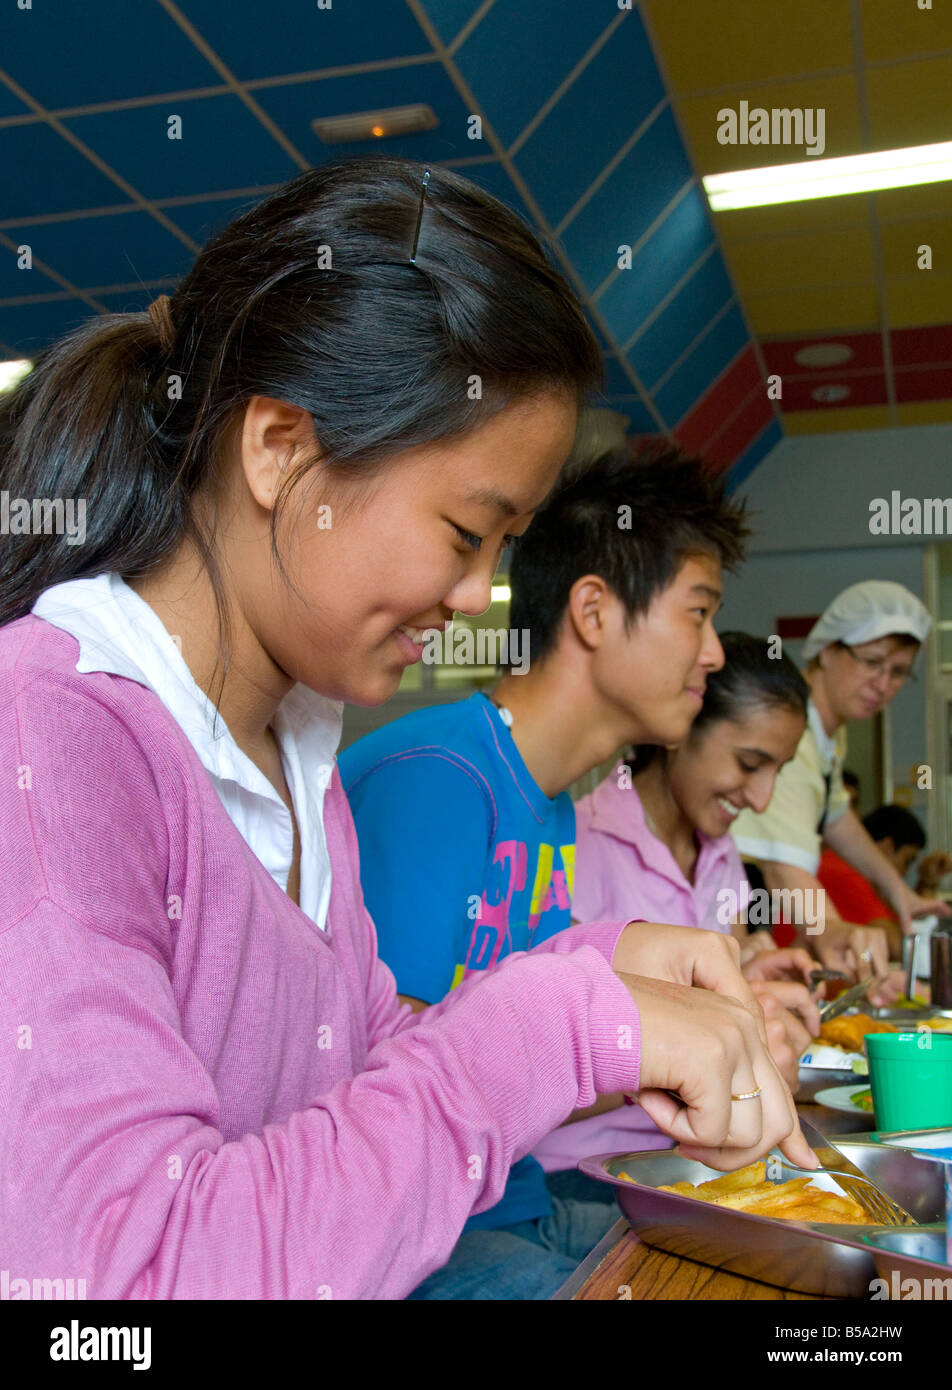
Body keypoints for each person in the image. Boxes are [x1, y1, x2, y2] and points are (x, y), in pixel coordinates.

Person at [0, 157, 812, 1302]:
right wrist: (554, 1024)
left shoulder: (297, 746)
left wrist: (605, 984)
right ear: (280, 450)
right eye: (462, 531)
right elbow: (115, 1292)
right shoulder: (50, 729)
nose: (475, 595)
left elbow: (365, 1061)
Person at [341, 449, 814, 1285]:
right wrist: (661, 1045)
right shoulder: (440, 779)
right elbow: (389, 1085)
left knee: (793, 1261)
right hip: (429, 1237)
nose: (711, 655)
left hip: (515, 1199)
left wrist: (701, 1032)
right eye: (697, 614)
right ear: (593, 611)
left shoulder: (547, 803)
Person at [544, 633, 821, 1191]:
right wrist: (705, 1042)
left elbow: (712, 995)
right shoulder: (576, 847)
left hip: (693, 1163)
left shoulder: (722, 856)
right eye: (749, 764)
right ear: (680, 728)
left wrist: (748, 987)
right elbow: (531, 1063)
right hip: (584, 1178)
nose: (761, 799)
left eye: (779, 772)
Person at [730, 581, 948, 997]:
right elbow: (781, 865)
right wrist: (832, 929)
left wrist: (899, 893)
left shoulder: (828, 737)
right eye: (872, 662)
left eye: (898, 672)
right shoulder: (791, 733)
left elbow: (836, 816)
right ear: (827, 650)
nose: (883, 684)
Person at [819, 804, 952, 960]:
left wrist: (925, 884)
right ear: (888, 846)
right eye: (907, 861)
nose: (905, 873)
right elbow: (900, 948)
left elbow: (899, 921)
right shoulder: (844, 873)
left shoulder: (846, 869)